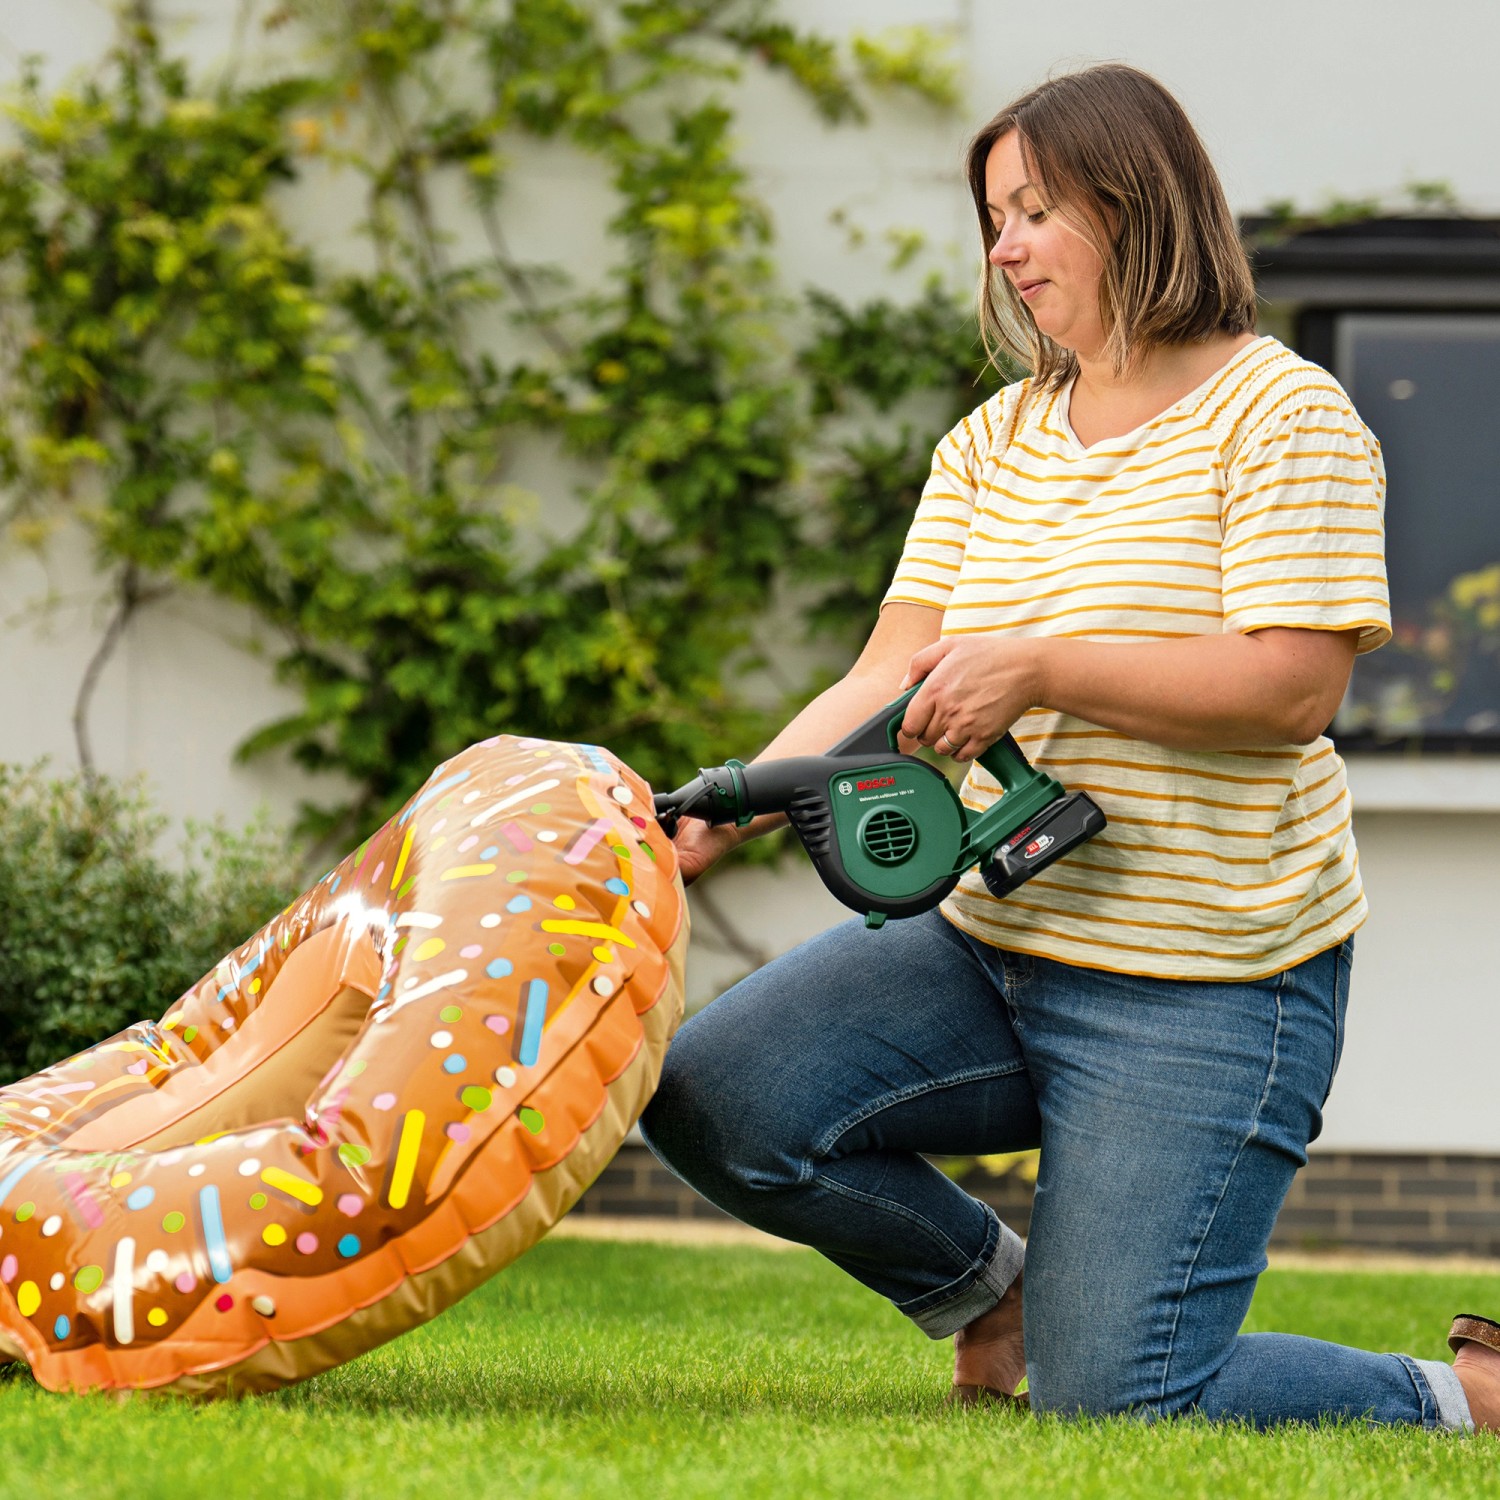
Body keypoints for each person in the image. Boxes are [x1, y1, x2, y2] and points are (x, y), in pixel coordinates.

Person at [638, 63, 1500, 1429]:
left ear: (1136, 203)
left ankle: (1463, 1398)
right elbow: (889, 665)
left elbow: (1290, 688)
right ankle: (993, 1288)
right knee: (714, 1095)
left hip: (1209, 976)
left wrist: (1038, 667)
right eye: (994, 217)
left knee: (1123, 1400)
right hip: (994, 945)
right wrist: (725, 804)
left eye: (1037, 210)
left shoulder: (1285, 416)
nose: (1007, 247)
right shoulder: (995, 440)